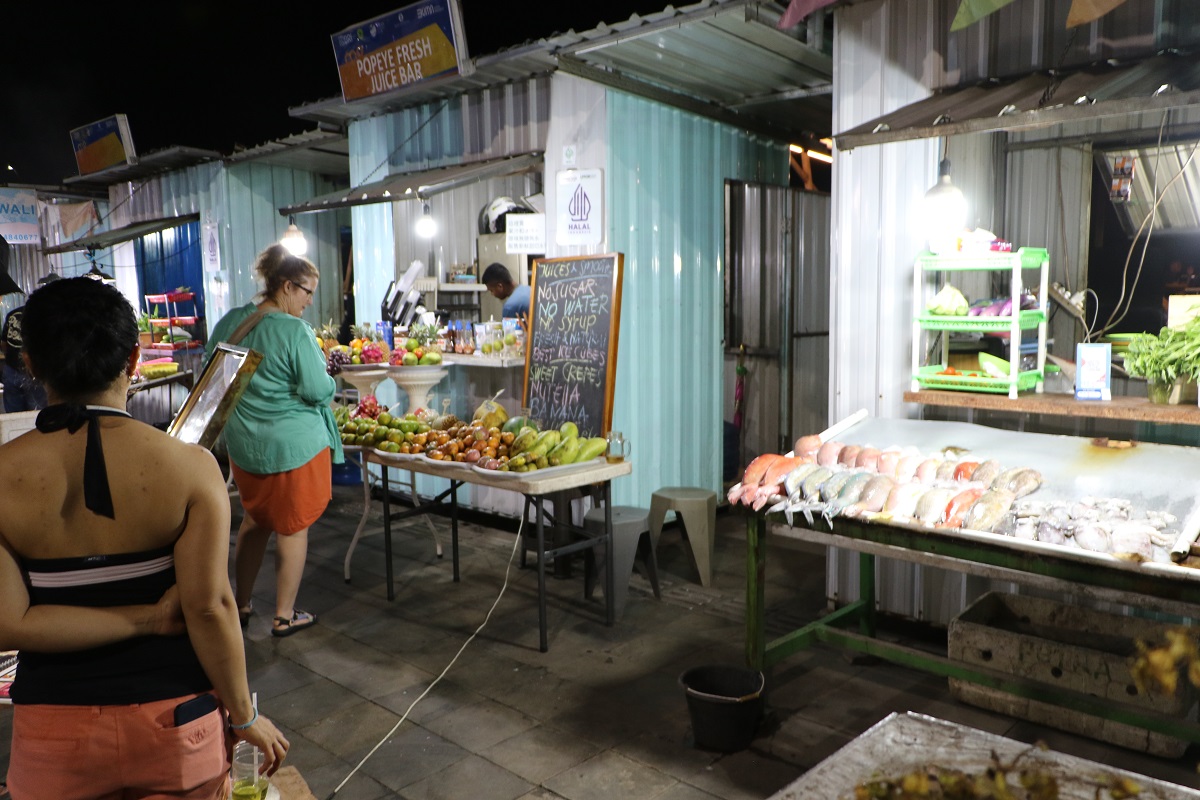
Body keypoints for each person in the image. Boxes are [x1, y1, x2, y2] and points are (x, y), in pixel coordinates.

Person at [0, 277, 288, 799]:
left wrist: (138, 620)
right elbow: (210, 609)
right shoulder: (192, 469)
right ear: (134, 359)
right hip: (178, 726)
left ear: (31, 364)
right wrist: (245, 716)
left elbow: (8, 625)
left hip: (52, 735)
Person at [206, 244, 343, 638]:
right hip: (292, 447)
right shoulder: (293, 330)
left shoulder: (234, 320)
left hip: (246, 447)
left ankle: (242, 603)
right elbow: (318, 390)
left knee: (254, 520)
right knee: (293, 527)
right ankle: (284, 616)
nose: (309, 302)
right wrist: (331, 379)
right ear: (286, 286)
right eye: (307, 292)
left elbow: (212, 370)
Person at [2, 305, 48, 412]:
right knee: (37, 414)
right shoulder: (42, 316)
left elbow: (4, 344)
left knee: (13, 416)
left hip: (11, 368)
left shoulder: (12, 314)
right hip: (34, 369)